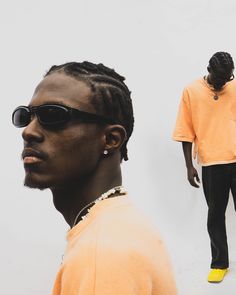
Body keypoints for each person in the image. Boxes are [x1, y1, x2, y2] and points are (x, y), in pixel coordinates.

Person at [12, 61, 177, 294]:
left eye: (53, 115)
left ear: (111, 139)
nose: (28, 131)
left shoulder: (102, 252)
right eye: (26, 116)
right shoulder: (117, 225)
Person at [173, 51, 236, 283]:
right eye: (220, 79)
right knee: (215, 216)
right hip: (212, 163)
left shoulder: (234, 88)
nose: (223, 83)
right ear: (209, 70)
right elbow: (185, 131)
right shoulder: (192, 91)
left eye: (228, 78)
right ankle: (219, 263)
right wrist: (189, 166)